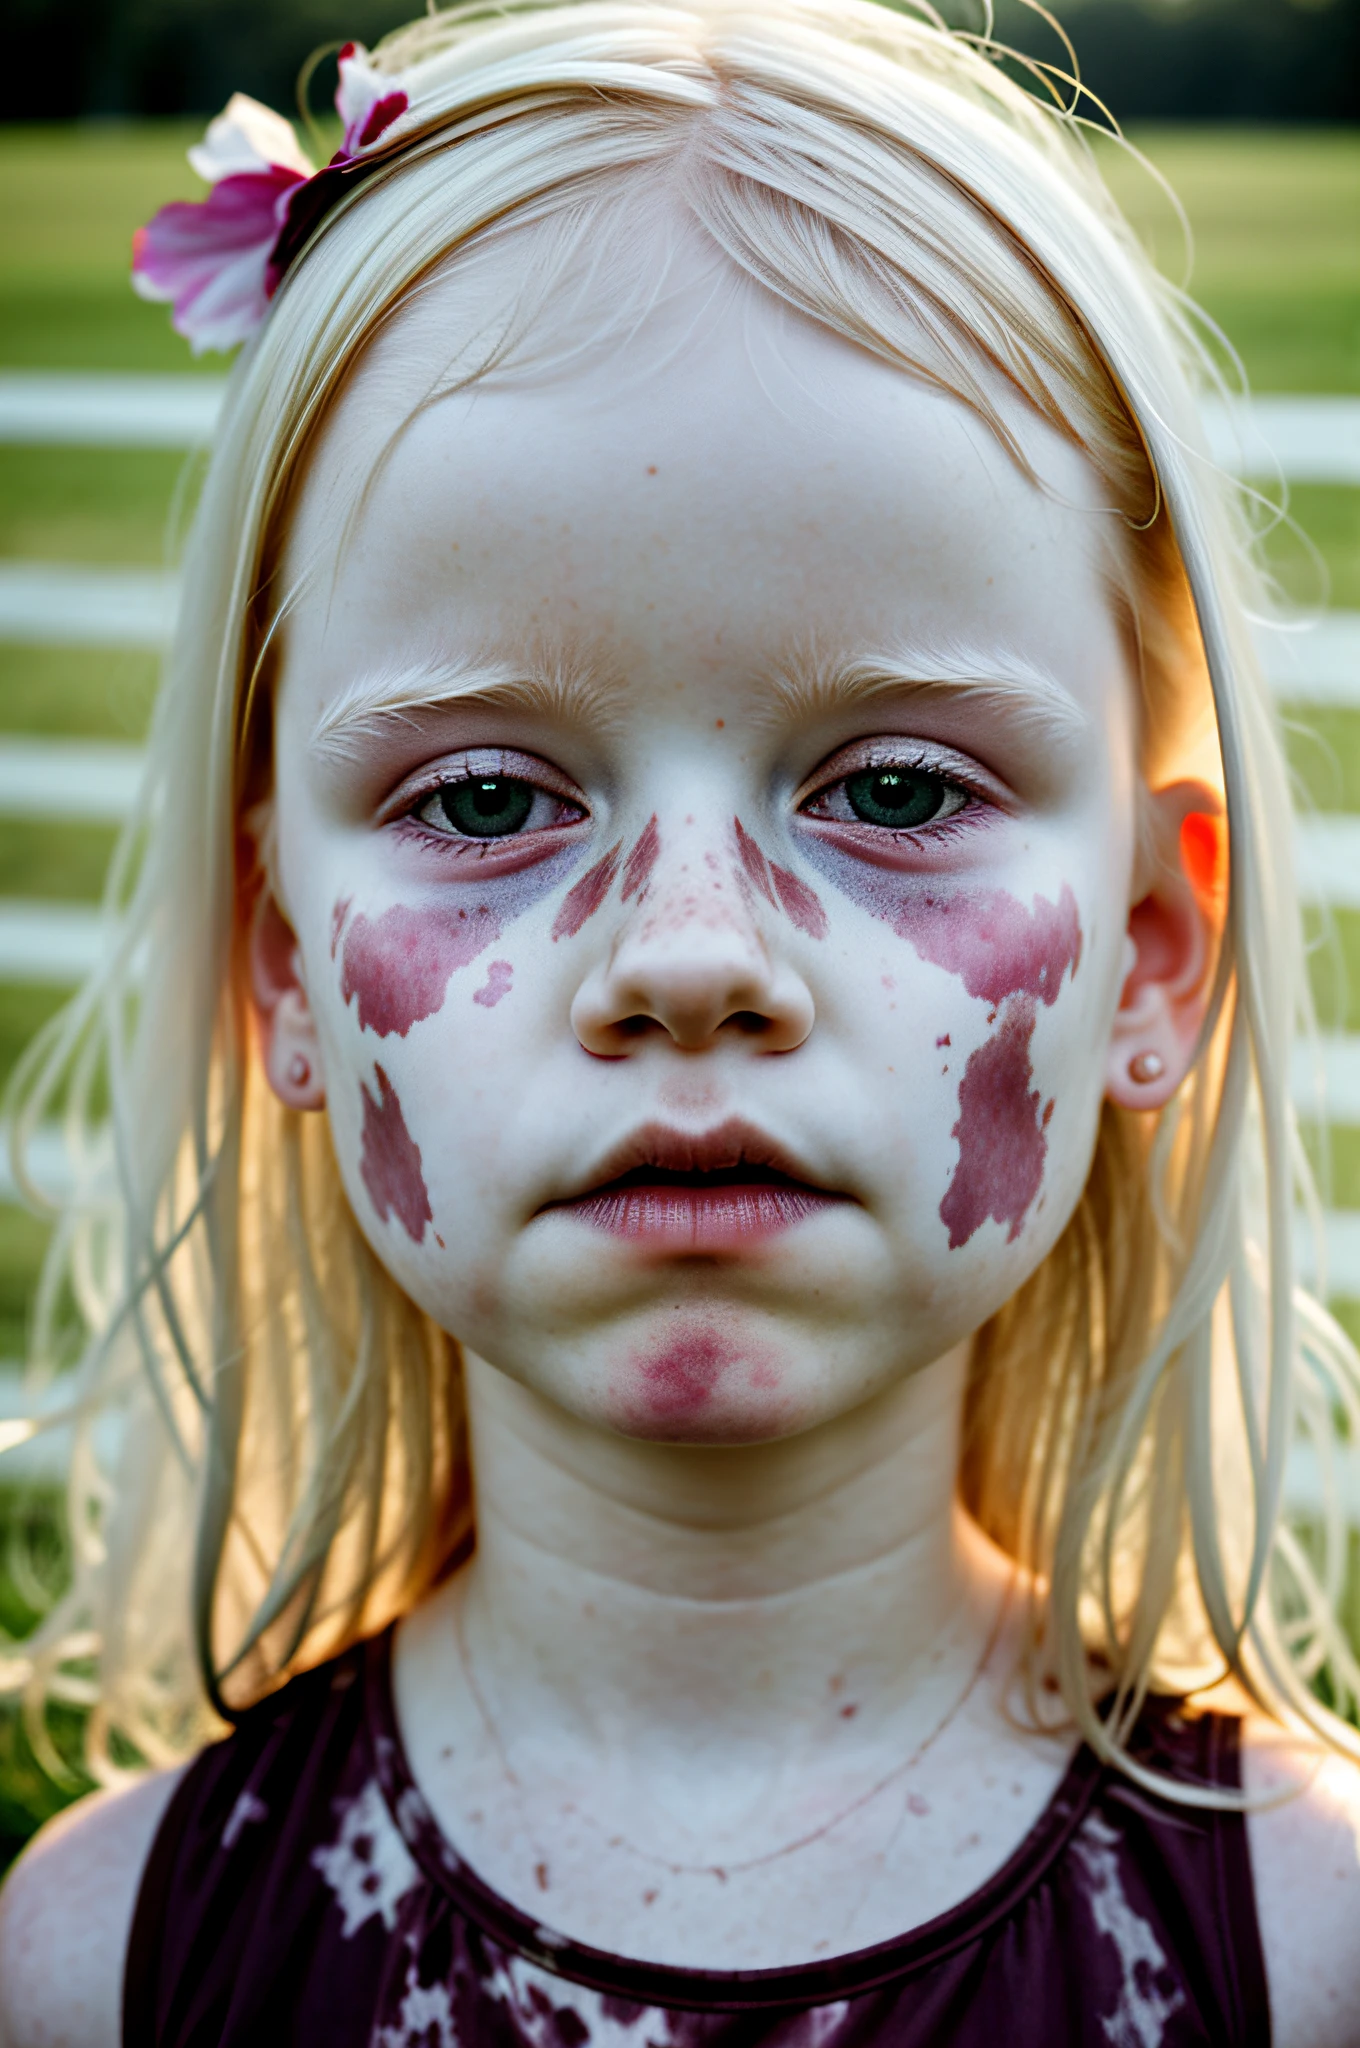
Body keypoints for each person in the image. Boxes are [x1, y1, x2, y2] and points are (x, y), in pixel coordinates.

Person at [1, 2, 1358, 2040]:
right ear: (278, 957)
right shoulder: (105, 1958)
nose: (690, 956)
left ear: (1150, 948)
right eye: (481, 800)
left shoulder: (1314, 1943)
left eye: (894, 788)